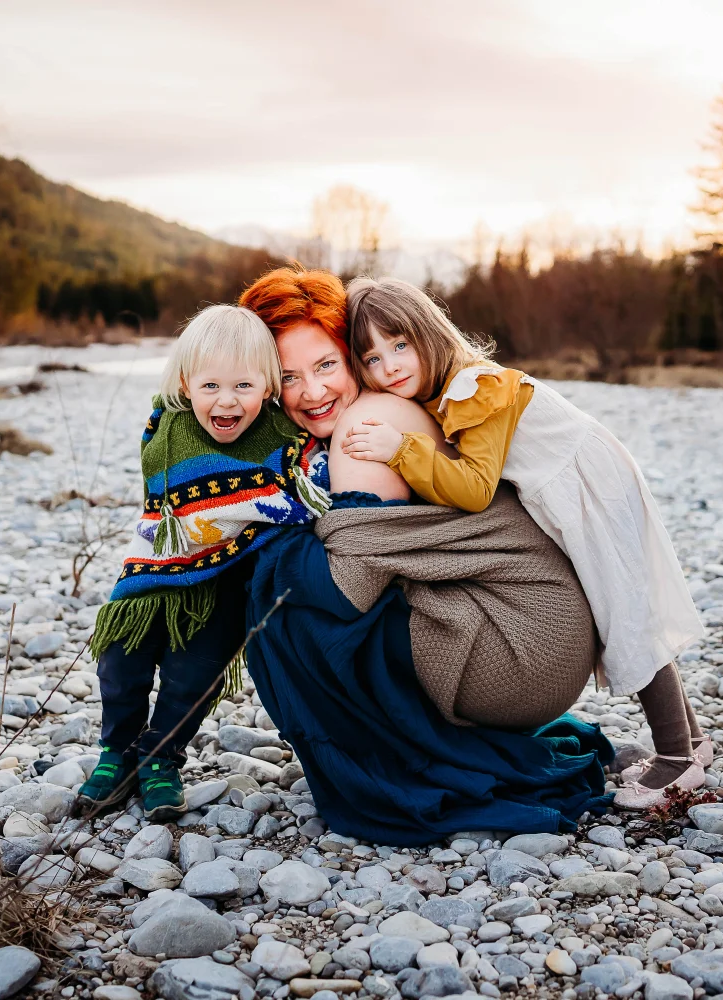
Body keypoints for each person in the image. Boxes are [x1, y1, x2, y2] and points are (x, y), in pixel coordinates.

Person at [235, 265, 613, 842]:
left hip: (523, 649)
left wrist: (248, 544)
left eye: (326, 366)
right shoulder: (389, 407)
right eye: (288, 377)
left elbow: (349, 586)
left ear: (349, 356)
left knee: (284, 610)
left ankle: (410, 768)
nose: (311, 392)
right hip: (540, 633)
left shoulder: (367, 425)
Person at [339, 276, 709, 809]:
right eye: (371, 359)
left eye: (400, 345)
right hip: (575, 479)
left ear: (429, 332)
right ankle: (693, 744)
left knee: (623, 611)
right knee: (627, 606)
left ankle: (675, 760)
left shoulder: (473, 388)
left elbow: (472, 488)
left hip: (587, 484)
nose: (390, 365)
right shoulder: (452, 389)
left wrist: (402, 449)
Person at [78, 304, 326, 821]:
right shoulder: (168, 430)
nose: (226, 400)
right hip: (154, 573)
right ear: (187, 384)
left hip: (225, 581)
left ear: (268, 387)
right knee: (121, 664)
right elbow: (165, 496)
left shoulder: (282, 441)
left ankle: (160, 757)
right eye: (211, 386)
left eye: (243, 386)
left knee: (195, 677)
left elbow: (305, 490)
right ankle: (115, 752)